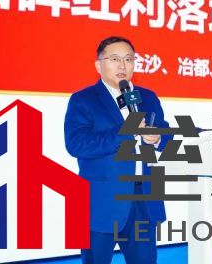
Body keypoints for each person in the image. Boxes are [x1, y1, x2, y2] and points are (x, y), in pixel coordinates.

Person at [64, 36, 171, 264]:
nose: (122, 65)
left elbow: (166, 135)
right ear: (98, 65)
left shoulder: (147, 97)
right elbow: (76, 143)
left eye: (128, 59)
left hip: (143, 199)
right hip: (101, 201)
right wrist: (125, 131)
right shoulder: (83, 100)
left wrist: (157, 138)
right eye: (114, 59)